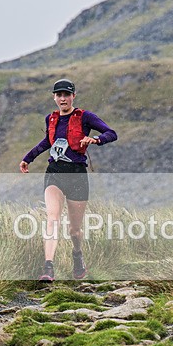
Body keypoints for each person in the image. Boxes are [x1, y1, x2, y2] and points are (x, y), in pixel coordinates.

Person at [19, 78, 117, 281]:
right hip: (54, 172)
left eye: (66, 94)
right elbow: (48, 141)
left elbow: (111, 133)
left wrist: (96, 139)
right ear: (54, 97)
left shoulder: (85, 117)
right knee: (52, 218)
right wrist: (28, 158)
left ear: (73, 96)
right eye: (58, 95)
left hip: (77, 175)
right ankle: (48, 268)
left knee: (74, 230)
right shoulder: (51, 119)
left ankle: (77, 254)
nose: (62, 98)